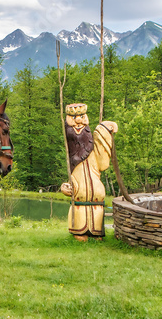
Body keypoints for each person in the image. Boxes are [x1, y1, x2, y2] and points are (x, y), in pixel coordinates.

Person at [60, 103, 118, 241]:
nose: (78, 121)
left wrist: (105, 128)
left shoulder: (94, 154)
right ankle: (79, 232)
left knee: (97, 235)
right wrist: (65, 187)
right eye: (74, 117)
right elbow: (69, 184)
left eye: (81, 116)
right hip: (79, 201)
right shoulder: (73, 162)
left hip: (96, 201)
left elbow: (103, 159)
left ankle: (96, 233)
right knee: (80, 236)